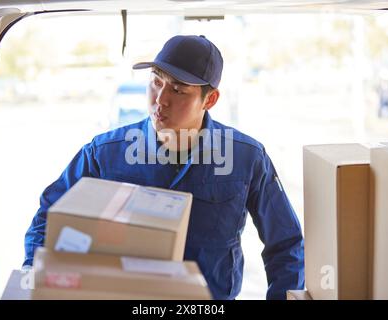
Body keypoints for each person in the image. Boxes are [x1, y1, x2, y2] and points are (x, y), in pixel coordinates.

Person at [23, 35, 304, 300]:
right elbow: (47, 222)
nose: (160, 100)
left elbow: (286, 245)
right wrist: (36, 283)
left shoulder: (246, 158)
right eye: (156, 82)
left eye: (178, 90)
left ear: (210, 99)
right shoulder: (104, 154)